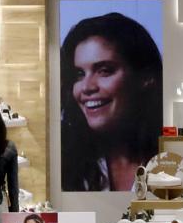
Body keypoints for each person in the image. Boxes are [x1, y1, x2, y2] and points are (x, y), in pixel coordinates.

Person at [60, 12, 163, 192]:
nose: (86, 87)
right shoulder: (66, 160)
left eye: (104, 70)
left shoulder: (171, 157)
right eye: (79, 74)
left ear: (145, 77)